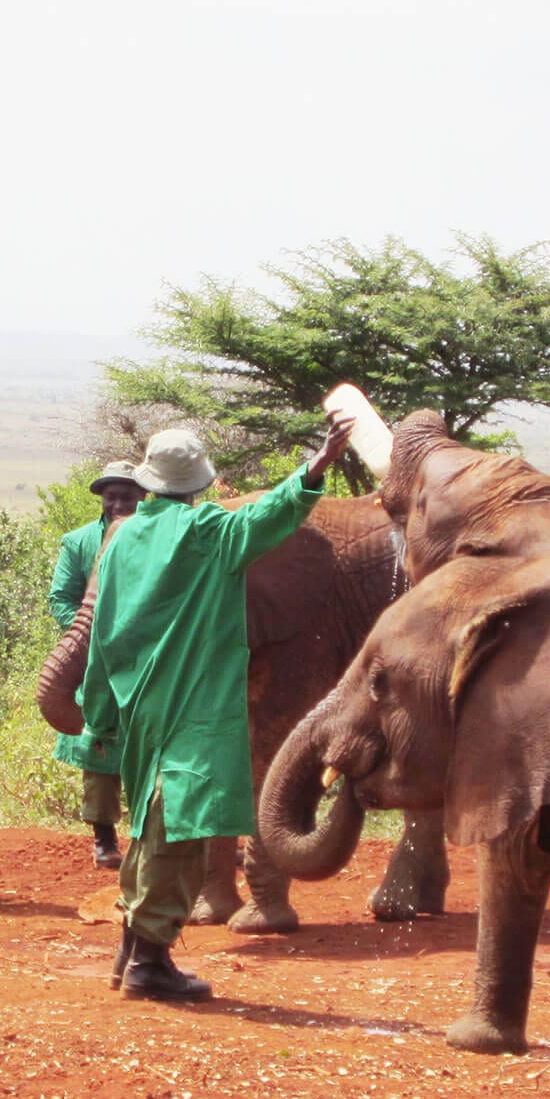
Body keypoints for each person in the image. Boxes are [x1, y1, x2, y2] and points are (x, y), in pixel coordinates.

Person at [80, 415, 355, 1001]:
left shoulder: (121, 535)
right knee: (179, 828)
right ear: (196, 485)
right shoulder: (205, 530)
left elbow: (99, 628)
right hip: (195, 701)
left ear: (150, 481)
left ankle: (131, 949)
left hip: (140, 705)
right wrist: (318, 464)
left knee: (149, 824)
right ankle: (150, 961)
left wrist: (100, 711)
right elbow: (269, 516)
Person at [48, 460, 145, 869]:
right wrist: (89, 635)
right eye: (112, 494)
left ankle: (147, 835)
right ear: (101, 497)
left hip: (144, 660)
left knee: (146, 745)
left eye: (127, 494)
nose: (119, 502)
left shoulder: (152, 537)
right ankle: (104, 840)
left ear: (143, 495)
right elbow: (60, 598)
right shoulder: (79, 541)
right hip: (93, 662)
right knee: (98, 749)